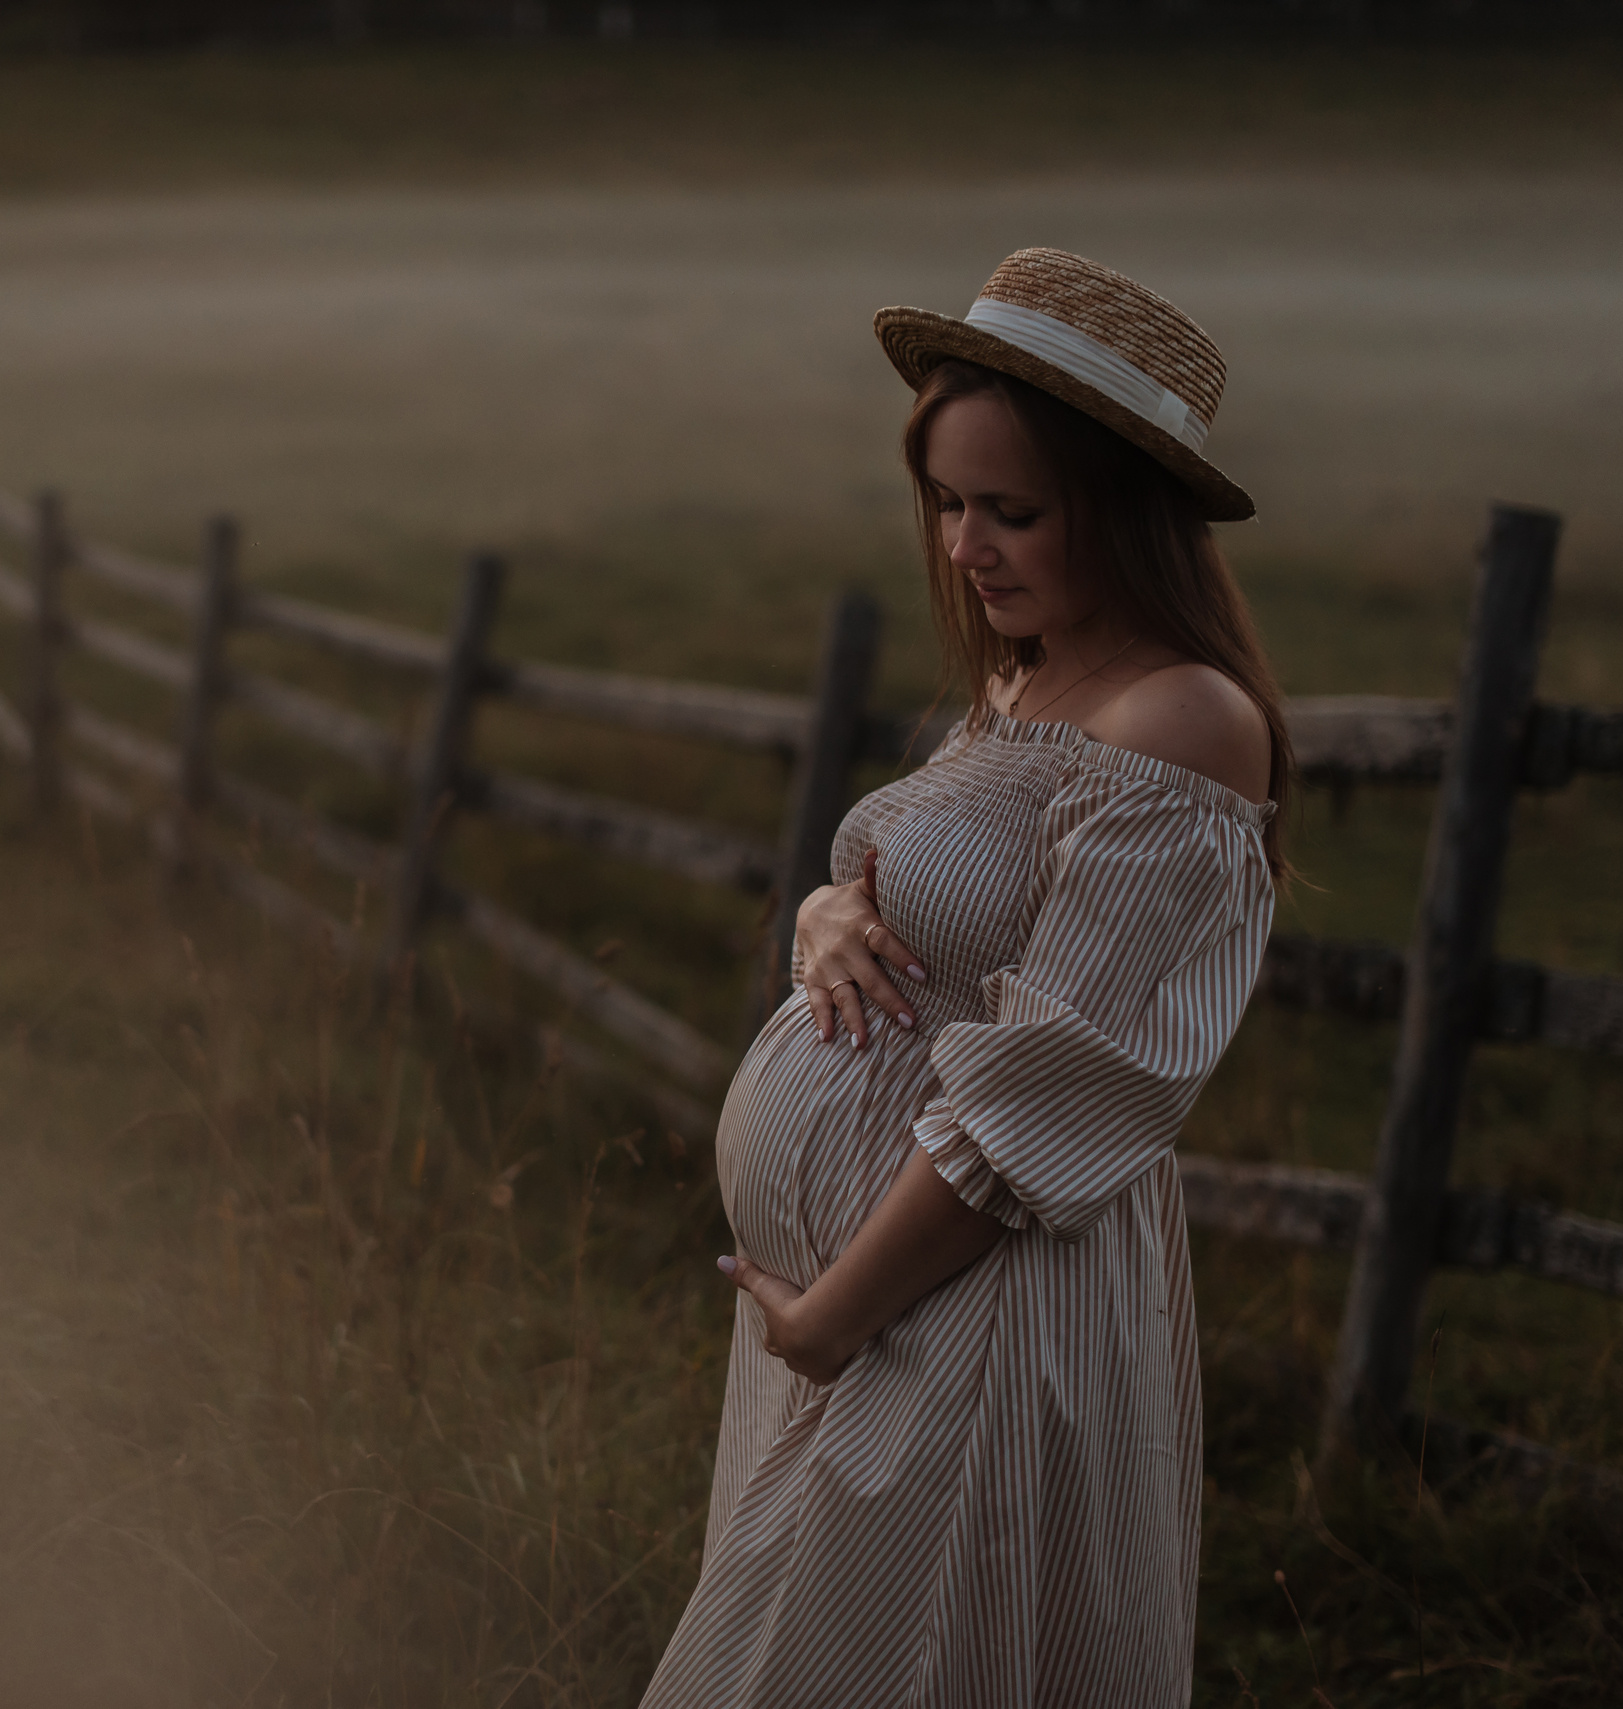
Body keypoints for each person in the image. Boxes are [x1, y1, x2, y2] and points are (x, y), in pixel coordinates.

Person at [640, 249, 1293, 1708]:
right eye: (946, 501)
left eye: (1013, 510)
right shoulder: (1027, 679)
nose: (964, 547)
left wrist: (833, 1313)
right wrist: (824, 917)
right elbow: (931, 903)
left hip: (973, 1300)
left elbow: (1047, 1095)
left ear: (1120, 510)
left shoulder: (1180, 723)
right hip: (892, 1297)